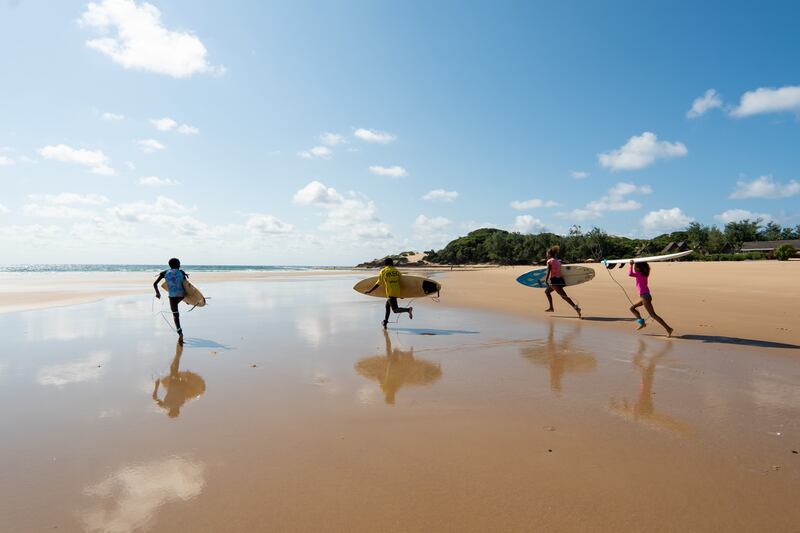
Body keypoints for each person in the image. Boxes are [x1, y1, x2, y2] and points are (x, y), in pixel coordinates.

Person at [628, 260, 673, 337]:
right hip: (645, 296)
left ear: (639, 268)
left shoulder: (639, 274)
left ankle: (668, 328)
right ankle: (642, 323)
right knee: (632, 308)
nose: (635, 268)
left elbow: (630, 274)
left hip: (645, 297)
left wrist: (631, 265)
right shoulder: (644, 274)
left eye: (635, 267)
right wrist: (633, 264)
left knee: (653, 315)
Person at [366, 258, 413, 328]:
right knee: (387, 306)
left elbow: (378, 283)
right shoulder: (396, 271)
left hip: (390, 292)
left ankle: (408, 310)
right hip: (397, 291)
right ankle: (385, 322)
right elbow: (401, 282)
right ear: (392, 263)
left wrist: (370, 290)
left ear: (385, 264)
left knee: (395, 310)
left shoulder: (383, 271)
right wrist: (401, 294)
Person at [153, 258, 189, 338]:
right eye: (179, 263)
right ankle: (185, 300)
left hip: (172, 296)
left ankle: (179, 332)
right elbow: (186, 286)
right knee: (176, 309)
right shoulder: (182, 272)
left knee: (175, 314)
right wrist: (187, 298)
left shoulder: (164, 273)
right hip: (182, 295)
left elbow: (155, 284)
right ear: (177, 265)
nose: (180, 265)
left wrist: (158, 293)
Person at [543, 246, 581, 317]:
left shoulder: (549, 261)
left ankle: (576, 308)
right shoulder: (557, 261)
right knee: (547, 292)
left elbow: (548, 271)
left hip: (554, 281)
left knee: (564, 296)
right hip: (560, 280)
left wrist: (546, 280)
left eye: (547, 254)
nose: (546, 255)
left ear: (550, 254)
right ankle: (551, 307)